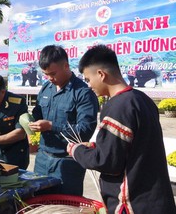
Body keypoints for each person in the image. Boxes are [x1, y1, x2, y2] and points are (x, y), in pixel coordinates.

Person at [67, 45, 176, 213]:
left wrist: (77, 150)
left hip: (133, 203)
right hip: (157, 200)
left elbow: (107, 162)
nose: (88, 85)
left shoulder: (117, 106)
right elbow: (133, 147)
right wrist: (96, 147)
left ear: (101, 75)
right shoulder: (142, 99)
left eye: (88, 79)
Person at [28, 44, 98, 195]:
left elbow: (85, 130)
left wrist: (52, 126)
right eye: (46, 74)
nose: (50, 78)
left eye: (53, 74)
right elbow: (37, 113)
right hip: (42, 158)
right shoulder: (46, 88)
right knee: (39, 205)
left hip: (68, 163)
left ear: (66, 65)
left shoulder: (83, 93)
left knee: (65, 206)